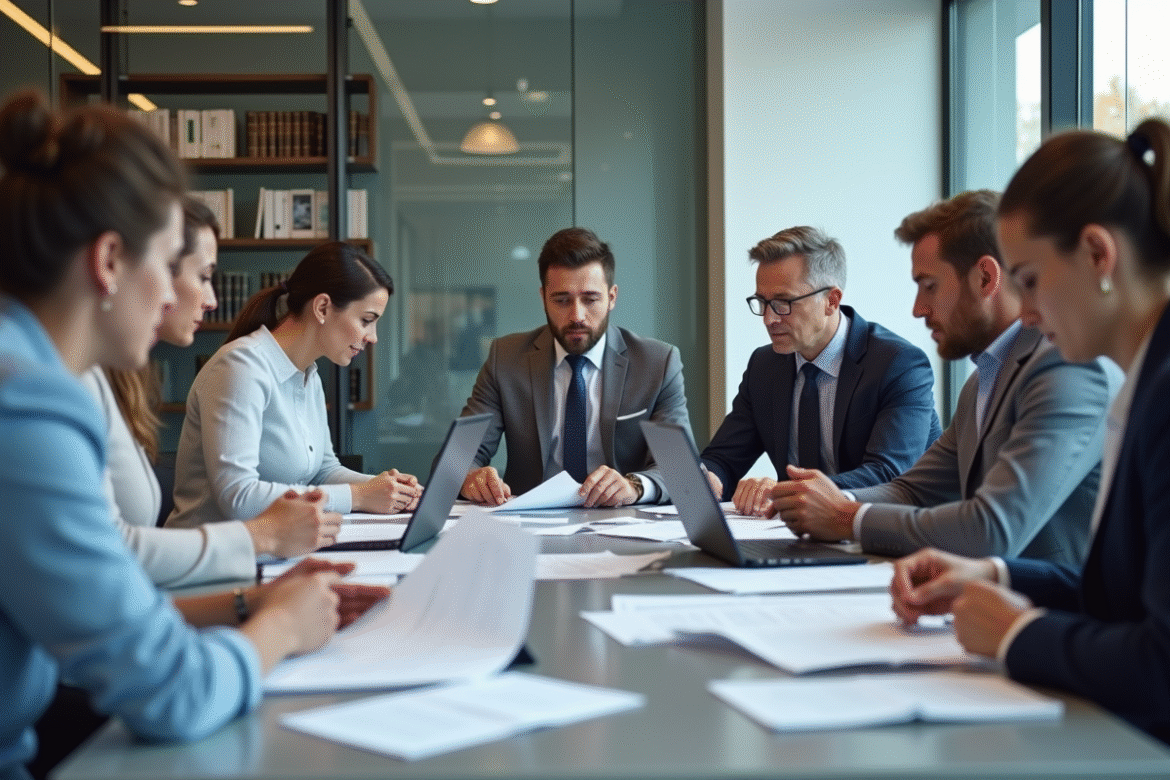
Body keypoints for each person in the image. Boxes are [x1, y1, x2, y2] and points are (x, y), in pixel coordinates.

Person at [0, 89, 386, 780]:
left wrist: (252, 603)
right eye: (171, 264)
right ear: (109, 261)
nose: (190, 297)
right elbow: (174, 693)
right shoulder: (28, 404)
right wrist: (281, 627)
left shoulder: (30, 371)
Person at [890, 119, 1170, 744]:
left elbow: (1162, 665)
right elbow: (1122, 599)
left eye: (1031, 281)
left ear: (1098, 254)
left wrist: (1017, 634)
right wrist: (998, 576)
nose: (1027, 312)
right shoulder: (1142, 383)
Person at [768, 190, 1120, 567]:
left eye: (929, 286)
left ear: (985, 278)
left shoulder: (1068, 369)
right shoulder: (981, 382)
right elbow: (911, 491)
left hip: (1047, 600)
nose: (918, 309)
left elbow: (991, 530)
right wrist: (826, 502)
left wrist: (844, 517)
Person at [82, 197, 342, 588]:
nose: (211, 300)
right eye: (198, 275)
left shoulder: (111, 380)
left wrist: (250, 605)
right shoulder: (64, 383)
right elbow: (103, 558)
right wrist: (262, 537)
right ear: (109, 262)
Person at [167, 241, 422, 528]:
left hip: (274, 546)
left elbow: (323, 471)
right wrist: (358, 496)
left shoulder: (309, 376)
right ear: (322, 307)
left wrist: (386, 488)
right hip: (213, 550)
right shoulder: (241, 367)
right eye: (366, 320)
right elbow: (238, 497)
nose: (372, 337)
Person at [700, 226, 941, 516]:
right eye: (763, 302)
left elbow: (888, 473)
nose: (769, 319)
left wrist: (786, 492)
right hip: (794, 533)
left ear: (831, 301)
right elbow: (723, 459)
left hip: (888, 528)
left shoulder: (898, 364)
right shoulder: (764, 366)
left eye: (783, 303)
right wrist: (710, 479)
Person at [454, 227, 693, 508]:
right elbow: (457, 459)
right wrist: (470, 478)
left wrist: (635, 486)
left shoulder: (657, 363)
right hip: (529, 520)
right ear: (543, 297)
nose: (577, 315)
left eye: (590, 299)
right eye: (562, 300)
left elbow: (681, 469)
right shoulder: (506, 359)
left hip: (623, 520)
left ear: (612, 297)